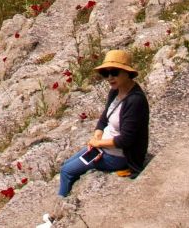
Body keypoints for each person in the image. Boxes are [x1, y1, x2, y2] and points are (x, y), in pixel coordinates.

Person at [56, 49, 150, 198]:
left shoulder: (135, 101)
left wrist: (98, 144)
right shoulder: (115, 91)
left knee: (67, 171)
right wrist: (97, 137)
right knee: (66, 165)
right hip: (104, 149)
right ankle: (64, 198)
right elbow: (103, 119)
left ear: (127, 73)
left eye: (114, 72)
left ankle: (57, 213)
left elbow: (126, 140)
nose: (110, 78)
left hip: (120, 156)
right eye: (106, 74)